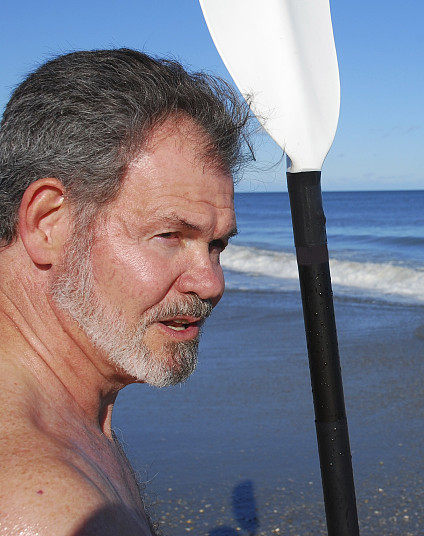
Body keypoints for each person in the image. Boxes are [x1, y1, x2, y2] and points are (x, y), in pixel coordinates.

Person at [0, 49, 252, 535]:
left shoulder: (75, 418)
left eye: (216, 245)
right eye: (170, 236)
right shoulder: (49, 508)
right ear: (48, 222)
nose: (211, 283)